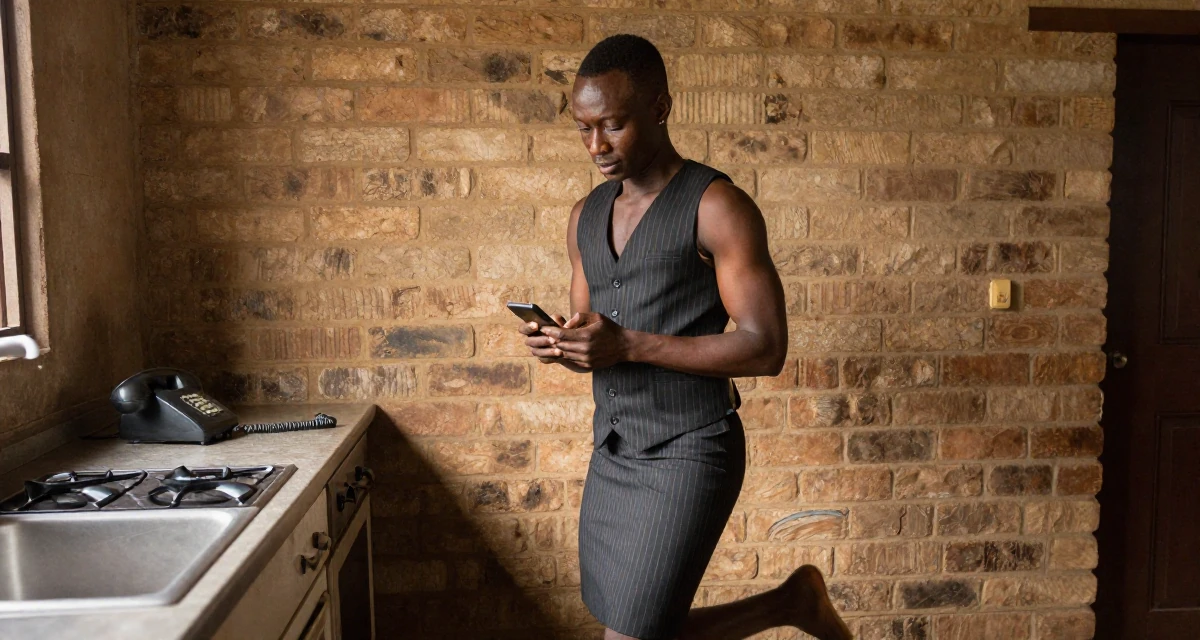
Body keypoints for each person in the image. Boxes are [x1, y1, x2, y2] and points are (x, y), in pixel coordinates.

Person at [518, 34, 853, 640]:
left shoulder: (717, 206)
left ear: (661, 108)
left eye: (614, 125)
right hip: (613, 449)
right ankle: (792, 604)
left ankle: (792, 605)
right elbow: (595, 338)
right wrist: (562, 347)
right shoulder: (583, 216)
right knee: (631, 627)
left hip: (691, 449)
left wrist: (629, 344)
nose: (596, 146)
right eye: (584, 128)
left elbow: (765, 346)